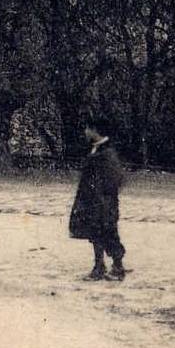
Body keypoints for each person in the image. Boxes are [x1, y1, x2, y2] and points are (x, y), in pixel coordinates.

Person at [69, 114, 129, 281]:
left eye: (88, 128)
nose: (85, 132)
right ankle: (99, 266)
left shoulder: (107, 153)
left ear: (95, 131)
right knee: (95, 234)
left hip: (103, 203)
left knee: (109, 233)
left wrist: (102, 197)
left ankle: (117, 266)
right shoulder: (97, 149)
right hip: (93, 202)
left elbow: (115, 178)